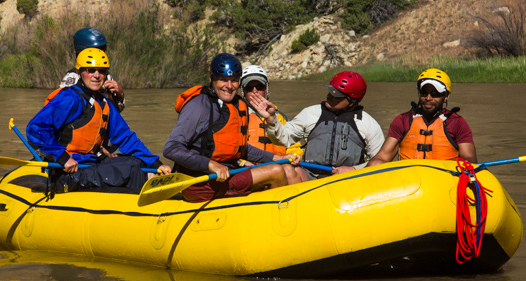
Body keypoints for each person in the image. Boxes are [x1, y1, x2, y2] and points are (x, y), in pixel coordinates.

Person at [27, 48, 170, 194]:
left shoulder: (103, 103)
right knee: (130, 170)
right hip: (68, 173)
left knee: (136, 162)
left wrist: (156, 163)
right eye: (91, 70)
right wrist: (62, 158)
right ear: (79, 73)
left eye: (101, 71)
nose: (96, 75)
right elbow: (35, 129)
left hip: (90, 164)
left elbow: (126, 138)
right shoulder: (70, 99)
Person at [163, 53, 303, 202]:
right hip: (200, 182)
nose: (229, 86)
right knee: (275, 171)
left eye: (234, 81)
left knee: (284, 167)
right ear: (212, 79)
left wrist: (278, 157)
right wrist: (211, 164)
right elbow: (171, 148)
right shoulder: (199, 106)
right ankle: (277, 216)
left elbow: (240, 148)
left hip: (228, 175)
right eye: (223, 80)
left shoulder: (237, 104)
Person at [246, 71, 385, 178]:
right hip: (310, 177)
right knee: (289, 170)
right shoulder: (310, 113)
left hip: (346, 178)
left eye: (336, 95)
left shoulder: (369, 124)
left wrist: (354, 170)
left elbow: (381, 162)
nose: (329, 96)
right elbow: (284, 139)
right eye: (330, 90)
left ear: (352, 101)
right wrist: (271, 119)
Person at [367, 68, 476, 165]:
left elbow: (469, 160)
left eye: (435, 93)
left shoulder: (456, 122)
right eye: (424, 93)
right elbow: (382, 157)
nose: (428, 98)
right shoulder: (403, 120)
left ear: (446, 97)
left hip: (444, 179)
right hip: (409, 180)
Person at [45, 27, 125, 111]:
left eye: (102, 50)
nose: (97, 75)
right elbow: (59, 110)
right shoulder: (72, 78)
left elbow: (116, 111)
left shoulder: (106, 75)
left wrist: (120, 95)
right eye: (97, 50)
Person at [239, 65, 301, 158]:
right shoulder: (236, 116)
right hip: (249, 168)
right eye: (249, 88)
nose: (255, 91)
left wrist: (295, 156)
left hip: (279, 165)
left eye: (259, 87)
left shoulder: (279, 117)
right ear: (243, 91)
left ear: (266, 89)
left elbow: (294, 146)